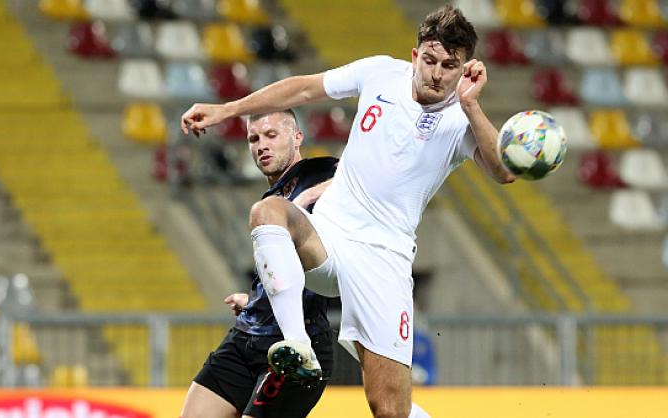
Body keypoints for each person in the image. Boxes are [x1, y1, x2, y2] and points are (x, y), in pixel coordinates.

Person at [181, 5, 514, 417]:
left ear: (464, 71)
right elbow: (303, 89)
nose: (436, 73)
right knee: (268, 212)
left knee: (388, 407)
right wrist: (228, 110)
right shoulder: (380, 72)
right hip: (330, 238)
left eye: (450, 65)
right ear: (415, 56)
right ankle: (296, 345)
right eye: (429, 60)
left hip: (383, 260)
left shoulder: (461, 121)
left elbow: (504, 171)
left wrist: (472, 106)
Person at [181, 109, 338, 418]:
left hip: (298, 345)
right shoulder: (275, 194)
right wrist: (256, 299)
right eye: (253, 138)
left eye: (271, 135)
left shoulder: (319, 172)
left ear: (297, 138)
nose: (261, 145)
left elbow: (368, 177)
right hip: (247, 334)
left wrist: (307, 199)